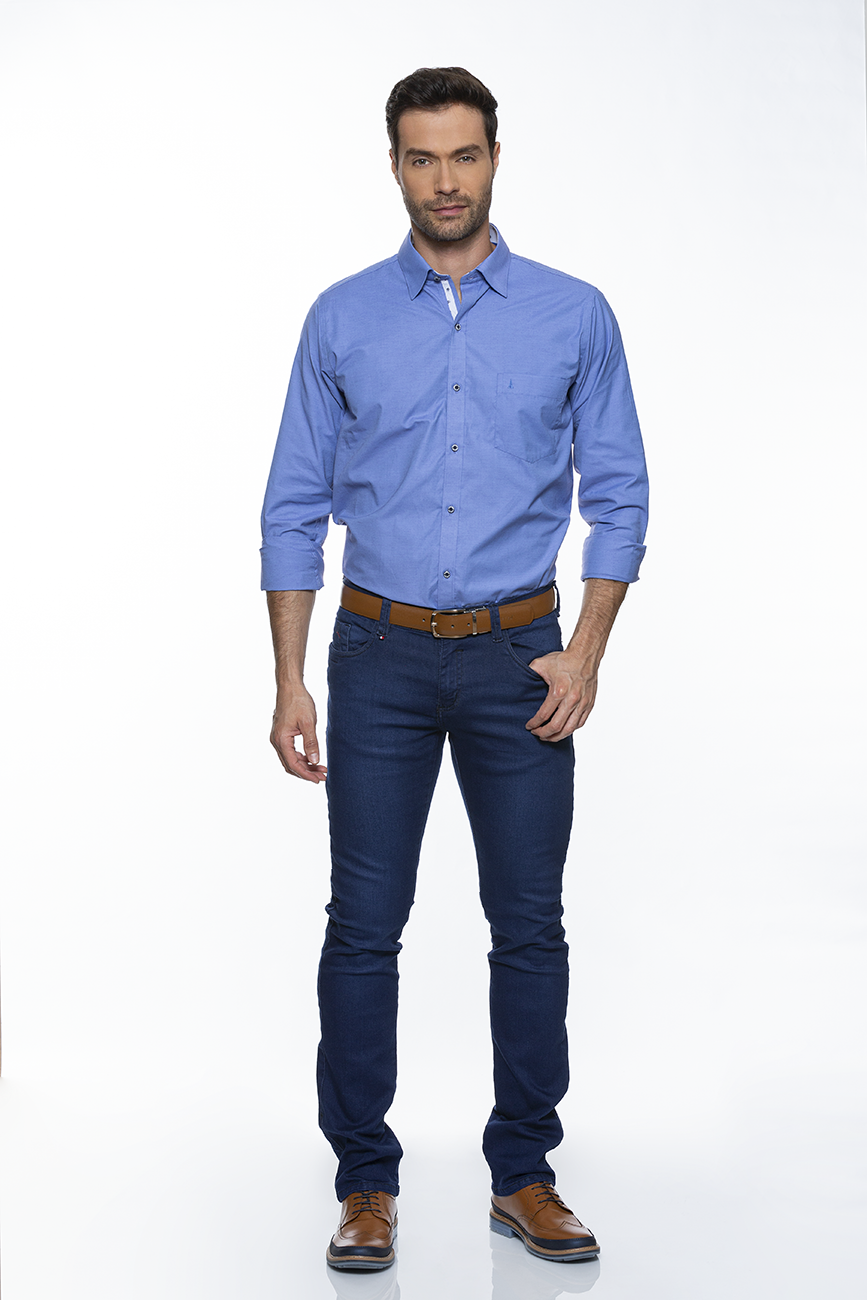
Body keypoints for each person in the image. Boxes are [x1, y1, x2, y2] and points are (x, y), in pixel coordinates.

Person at [260, 66, 648, 1271]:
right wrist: (290, 678)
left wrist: (584, 653)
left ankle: (523, 1174)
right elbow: (293, 505)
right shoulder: (340, 319)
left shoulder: (575, 315)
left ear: (495, 158)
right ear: (394, 164)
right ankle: (364, 1185)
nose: (445, 181)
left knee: (528, 924)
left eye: (464, 155)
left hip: (521, 661)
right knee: (363, 926)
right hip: (375, 656)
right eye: (422, 157)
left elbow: (622, 495)